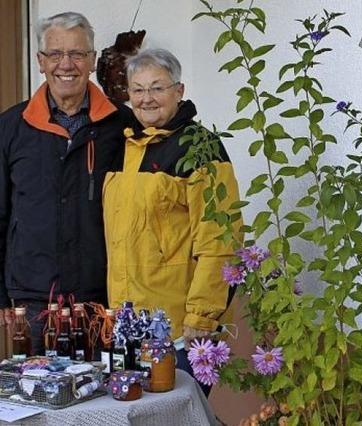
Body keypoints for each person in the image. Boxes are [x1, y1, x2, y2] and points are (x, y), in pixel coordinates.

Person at [103, 48, 242, 395]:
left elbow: (221, 240)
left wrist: (202, 316)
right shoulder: (123, 148)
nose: (146, 99)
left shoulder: (201, 148)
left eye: (157, 88)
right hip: (127, 325)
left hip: (179, 331)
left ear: (179, 91)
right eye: (138, 89)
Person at [0, 12, 132, 354]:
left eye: (77, 54)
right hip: (31, 301)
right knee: (36, 400)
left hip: (103, 297)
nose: (66, 64)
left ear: (91, 61)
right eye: (55, 54)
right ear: (40, 62)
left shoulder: (123, 125)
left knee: (104, 399)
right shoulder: (10, 127)